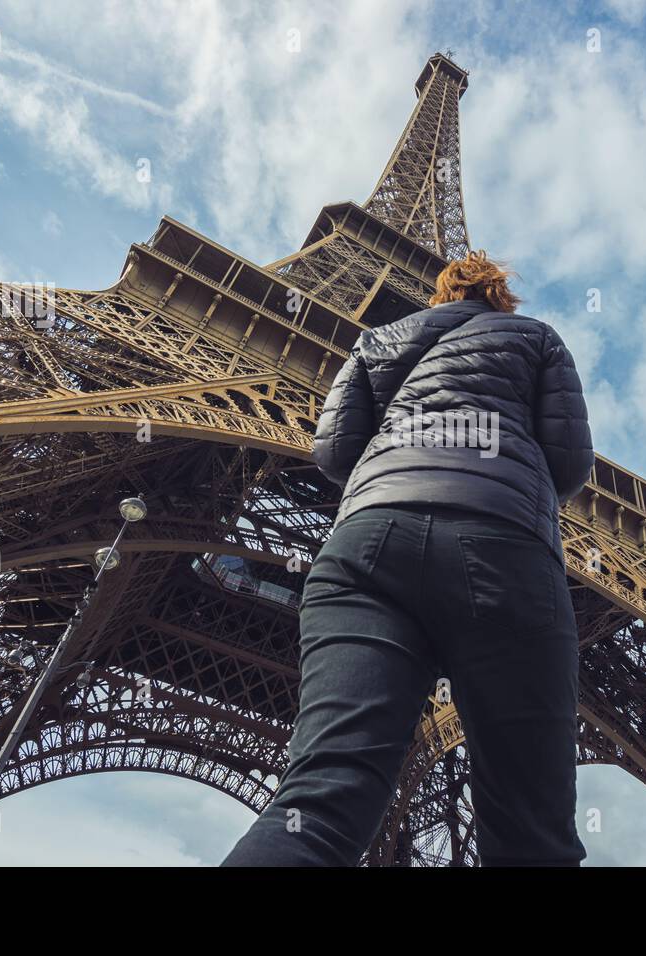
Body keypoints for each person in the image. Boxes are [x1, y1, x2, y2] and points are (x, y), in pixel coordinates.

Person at [221, 250, 595, 867]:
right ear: (501, 295)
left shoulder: (378, 340)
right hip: (501, 545)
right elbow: (570, 463)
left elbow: (336, 452)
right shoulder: (535, 338)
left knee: (316, 802)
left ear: (439, 292)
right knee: (532, 828)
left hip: (368, 543)